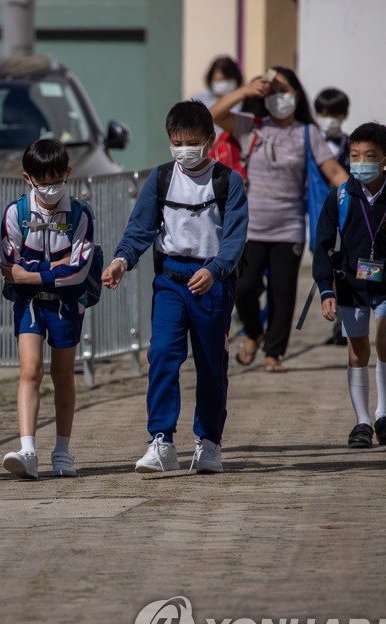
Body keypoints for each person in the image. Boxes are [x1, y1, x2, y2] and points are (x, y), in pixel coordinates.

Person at [102, 101, 248, 474]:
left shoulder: (228, 182)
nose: (185, 149)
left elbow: (234, 239)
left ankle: (209, 442)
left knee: (211, 363)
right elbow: (141, 227)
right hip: (169, 280)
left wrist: (216, 270)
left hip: (211, 282)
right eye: (177, 141)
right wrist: (122, 260)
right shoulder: (162, 177)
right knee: (163, 356)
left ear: (210, 140)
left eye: (193, 141)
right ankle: (161, 441)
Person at [211, 67, 349, 372]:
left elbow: (334, 171)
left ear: (297, 95)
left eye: (284, 91)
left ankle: (273, 354)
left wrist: (364, 197)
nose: (278, 98)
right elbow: (216, 114)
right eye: (272, 92)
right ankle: (254, 334)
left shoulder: (307, 133)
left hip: (290, 229)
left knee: (282, 294)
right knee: (244, 289)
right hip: (251, 227)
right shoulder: (251, 127)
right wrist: (246, 90)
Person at [313, 122, 386, 448]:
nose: (360, 162)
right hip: (350, 285)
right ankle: (361, 421)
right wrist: (326, 289)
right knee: (357, 350)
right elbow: (322, 246)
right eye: (354, 155)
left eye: (370, 156)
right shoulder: (339, 198)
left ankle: (383, 415)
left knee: (385, 338)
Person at [0, 138, 95, 479]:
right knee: (30, 370)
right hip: (28, 305)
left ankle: (63, 451)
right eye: (43, 182)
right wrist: (56, 268)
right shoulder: (16, 213)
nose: (51, 188)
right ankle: (27, 449)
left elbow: (80, 270)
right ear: (28, 179)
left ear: (68, 173)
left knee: (63, 374)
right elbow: (10, 268)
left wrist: (34, 273)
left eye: (57, 180)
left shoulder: (81, 214)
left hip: (67, 305)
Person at [314, 87, 352, 344]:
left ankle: (343, 325)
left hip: (345, 215)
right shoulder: (311, 143)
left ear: (345, 115)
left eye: (335, 114)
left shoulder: (351, 145)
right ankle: (337, 321)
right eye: (324, 113)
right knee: (325, 266)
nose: (330, 119)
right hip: (319, 215)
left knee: (344, 267)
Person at [192, 56, 245, 135]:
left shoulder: (244, 101)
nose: (222, 84)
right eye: (218, 80)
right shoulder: (198, 99)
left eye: (225, 79)